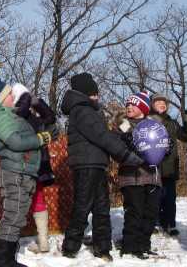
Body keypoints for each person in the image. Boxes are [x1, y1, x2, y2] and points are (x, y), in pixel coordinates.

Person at [59, 73, 144, 262]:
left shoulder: (89, 111)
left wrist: (120, 132)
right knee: (83, 206)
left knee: (101, 207)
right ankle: (70, 246)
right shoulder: (82, 111)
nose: (98, 96)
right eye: (94, 93)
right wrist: (125, 156)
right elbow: (101, 137)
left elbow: (104, 136)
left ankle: (102, 246)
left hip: (96, 164)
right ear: (86, 93)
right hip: (87, 164)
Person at [0, 78, 50, 267]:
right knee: (12, 217)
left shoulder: (10, 115)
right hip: (15, 173)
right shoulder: (0, 116)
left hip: (22, 172)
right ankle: (2, 262)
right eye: (9, 94)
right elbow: (16, 142)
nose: (13, 96)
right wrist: (40, 139)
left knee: (17, 217)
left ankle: (7, 260)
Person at [8, 84, 57, 254]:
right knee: (37, 200)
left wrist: (34, 102)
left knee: (18, 202)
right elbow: (50, 117)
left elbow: (51, 118)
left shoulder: (13, 117)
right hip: (35, 165)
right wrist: (34, 101)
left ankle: (16, 243)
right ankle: (42, 241)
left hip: (22, 167)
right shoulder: (29, 118)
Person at [114, 91, 161, 259]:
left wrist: (166, 147)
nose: (129, 107)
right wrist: (125, 139)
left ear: (143, 108)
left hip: (152, 176)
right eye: (127, 104)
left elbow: (162, 145)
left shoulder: (154, 124)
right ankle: (129, 246)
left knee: (151, 212)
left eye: (133, 104)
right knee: (135, 211)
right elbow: (116, 143)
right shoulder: (124, 124)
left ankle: (143, 244)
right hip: (131, 176)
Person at [149, 94, 187, 236]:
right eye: (158, 102)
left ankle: (170, 224)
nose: (162, 104)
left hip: (170, 166)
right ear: (152, 105)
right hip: (152, 166)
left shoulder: (172, 123)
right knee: (154, 197)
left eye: (164, 102)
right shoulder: (148, 120)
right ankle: (155, 223)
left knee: (170, 198)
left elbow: (186, 136)